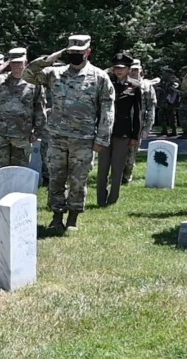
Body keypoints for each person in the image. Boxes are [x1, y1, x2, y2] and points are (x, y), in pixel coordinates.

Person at [23, 34, 114, 230]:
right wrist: (50, 58)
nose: (75, 55)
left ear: (88, 52)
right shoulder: (55, 73)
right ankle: (56, 217)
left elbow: (108, 108)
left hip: (84, 138)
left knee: (78, 180)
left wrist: (102, 138)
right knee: (56, 178)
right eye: (71, 52)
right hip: (56, 136)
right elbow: (27, 74)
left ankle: (73, 218)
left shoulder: (99, 77)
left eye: (79, 53)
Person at [0, 47, 46, 186]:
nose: (16, 65)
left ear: (25, 62)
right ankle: (1, 198)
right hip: (2, 134)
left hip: (23, 135)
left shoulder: (34, 83)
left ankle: (17, 199)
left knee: (20, 170)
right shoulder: (0, 80)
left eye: (19, 62)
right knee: (1, 170)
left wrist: (37, 131)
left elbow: (39, 109)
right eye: (13, 62)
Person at [96, 53, 140, 206]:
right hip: (105, 131)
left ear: (128, 69)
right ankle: (101, 199)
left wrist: (135, 136)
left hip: (123, 131)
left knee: (117, 167)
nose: (119, 70)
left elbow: (137, 113)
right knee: (102, 168)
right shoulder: (106, 83)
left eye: (122, 68)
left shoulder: (135, 86)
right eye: (116, 68)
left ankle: (113, 199)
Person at [122, 59, 157, 184]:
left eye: (136, 70)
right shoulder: (124, 84)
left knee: (132, 152)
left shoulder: (147, 87)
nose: (134, 72)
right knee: (120, 151)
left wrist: (147, 128)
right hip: (124, 125)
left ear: (141, 71)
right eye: (132, 69)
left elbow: (151, 109)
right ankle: (118, 175)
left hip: (139, 125)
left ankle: (126, 177)